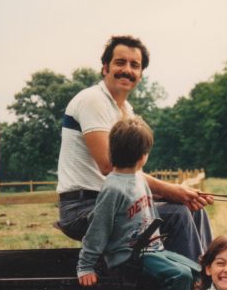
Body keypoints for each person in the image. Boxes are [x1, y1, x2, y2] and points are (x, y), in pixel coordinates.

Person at [57, 34, 213, 261]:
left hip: (117, 201)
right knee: (177, 215)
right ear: (105, 68)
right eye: (120, 63)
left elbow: (130, 175)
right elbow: (110, 166)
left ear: (140, 75)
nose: (127, 70)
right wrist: (171, 190)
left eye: (134, 65)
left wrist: (181, 195)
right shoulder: (93, 100)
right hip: (84, 207)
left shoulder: (125, 110)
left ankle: (209, 281)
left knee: (192, 210)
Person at [77, 116, 200, 290]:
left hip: (153, 249)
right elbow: (97, 229)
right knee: (179, 276)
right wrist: (85, 266)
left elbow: (150, 210)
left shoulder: (138, 178)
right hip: (129, 257)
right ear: (143, 156)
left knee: (197, 270)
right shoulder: (113, 188)